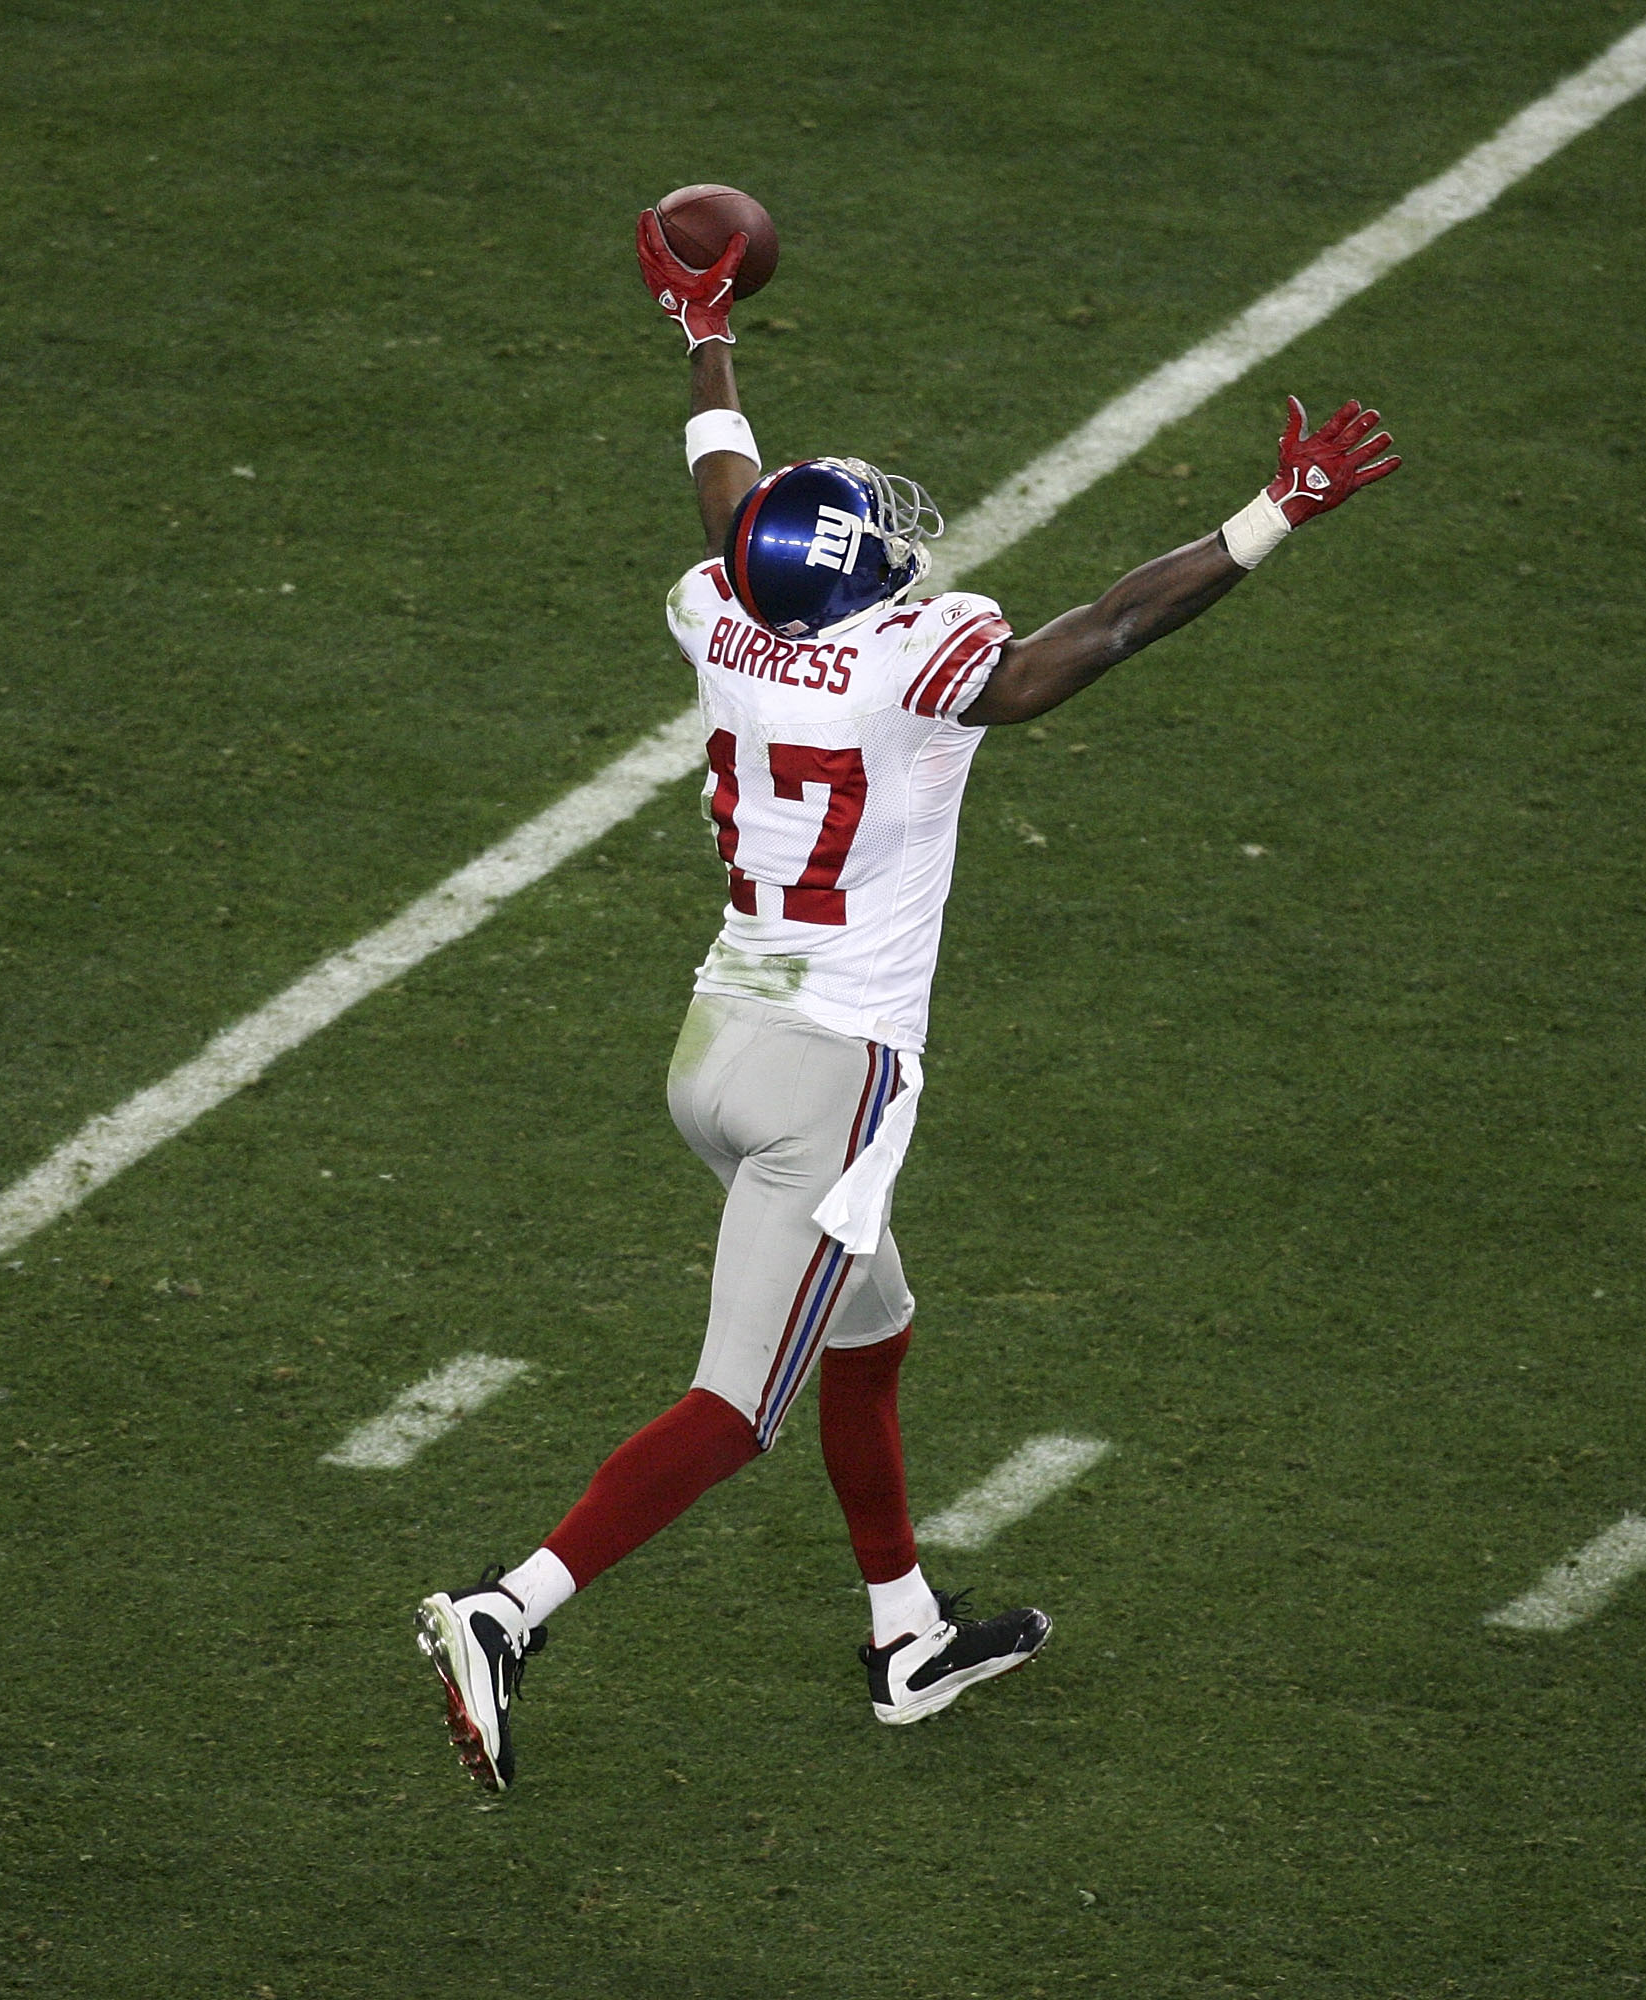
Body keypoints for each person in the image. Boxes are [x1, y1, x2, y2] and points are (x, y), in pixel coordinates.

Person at [414, 211, 1400, 1792]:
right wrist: (1272, 514)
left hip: (715, 1050)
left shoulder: (723, 614)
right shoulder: (916, 661)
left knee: (872, 1332)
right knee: (737, 1404)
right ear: (865, 583)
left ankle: (906, 1633)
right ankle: (508, 1609)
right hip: (831, 1077)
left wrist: (702, 331)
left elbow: (730, 496)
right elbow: (1115, 625)